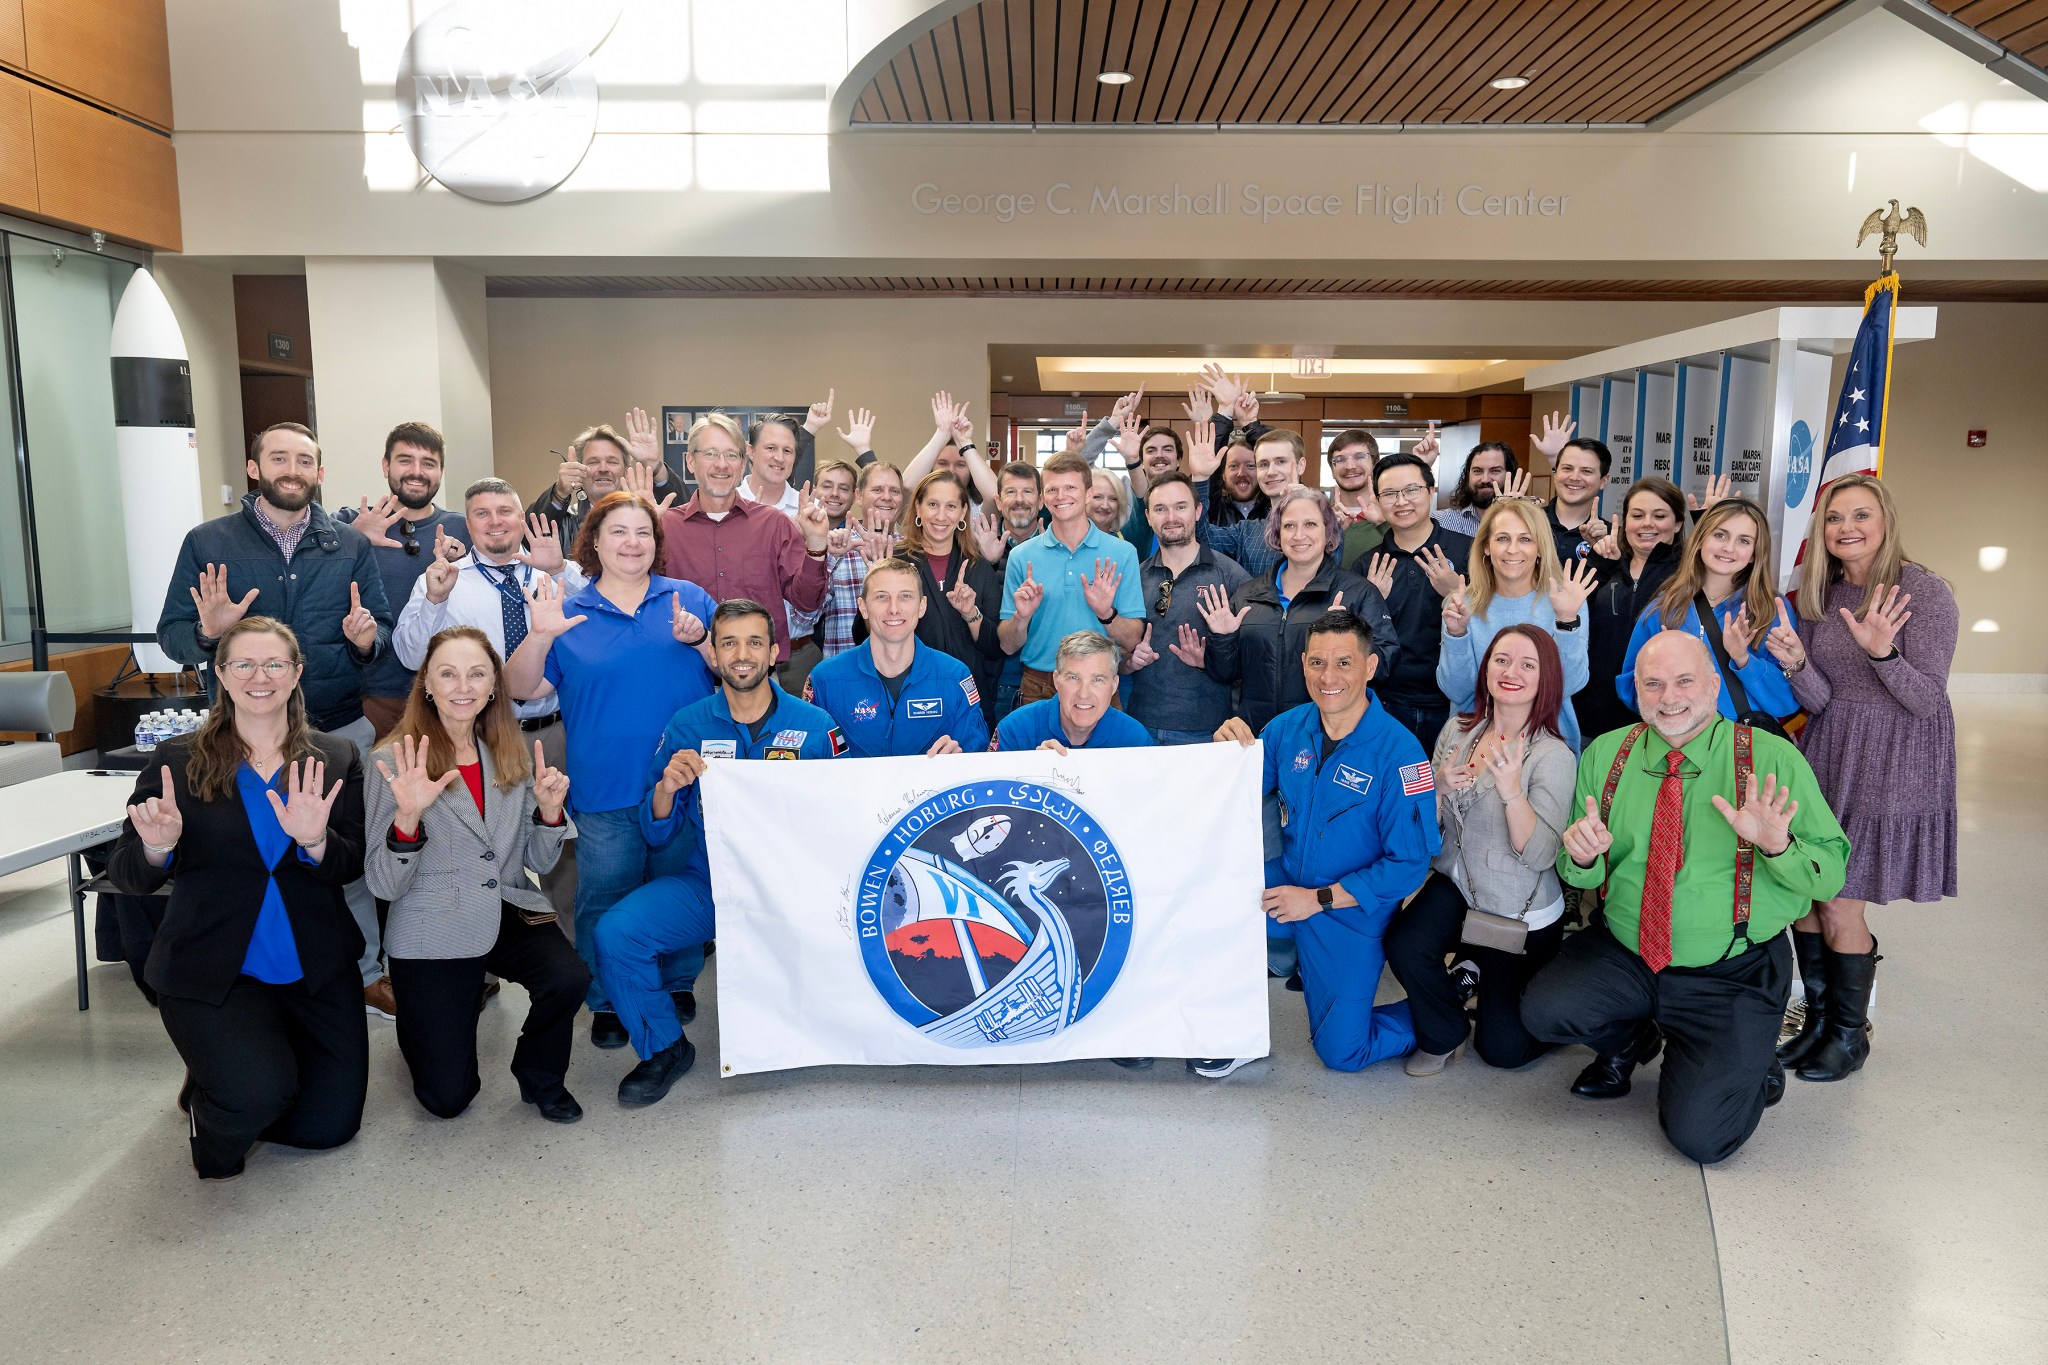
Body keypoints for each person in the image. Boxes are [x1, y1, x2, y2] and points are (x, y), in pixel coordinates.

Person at [1521, 631, 1849, 1164]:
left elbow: (1829, 876)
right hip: (1627, 949)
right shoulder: (1607, 754)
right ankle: (1636, 1042)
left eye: (1684, 681)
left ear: (1715, 685)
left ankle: (1743, 1056)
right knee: (1544, 1011)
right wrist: (1582, 859)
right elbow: (1579, 874)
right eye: (1653, 684)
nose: (1668, 697)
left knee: (1702, 1140)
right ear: (1637, 691)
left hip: (1731, 969)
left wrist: (1778, 845)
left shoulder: (1770, 760)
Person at [109, 617, 367, 1181]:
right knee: (256, 1098)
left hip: (313, 965)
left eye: (274, 663)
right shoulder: (178, 761)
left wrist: (317, 841)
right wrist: (158, 849)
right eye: (243, 664)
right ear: (220, 675)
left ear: (297, 673)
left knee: (330, 1126)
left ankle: (229, 1070)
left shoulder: (336, 756)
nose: (260, 676)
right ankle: (220, 1099)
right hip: (213, 967)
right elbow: (128, 876)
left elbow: (351, 864)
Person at [156, 420, 397, 1018]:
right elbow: (171, 636)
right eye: (279, 458)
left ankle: (362, 971)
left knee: (343, 855)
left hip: (336, 731)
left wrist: (366, 640)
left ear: (320, 472)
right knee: (242, 856)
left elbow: (381, 634)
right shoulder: (207, 543)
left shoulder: (349, 544)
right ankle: (244, 974)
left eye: (305, 460)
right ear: (254, 468)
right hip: (240, 734)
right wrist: (208, 635)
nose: (293, 469)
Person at [591, 600, 846, 1107]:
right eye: (728, 643)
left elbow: (845, 821)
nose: (742, 654)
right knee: (616, 933)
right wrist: (666, 787)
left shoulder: (817, 726)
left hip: (794, 894)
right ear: (714, 654)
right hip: (711, 884)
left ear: (774, 653)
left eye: (754, 642)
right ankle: (664, 1047)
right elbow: (657, 831)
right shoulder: (688, 725)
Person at [502, 490, 718, 1050]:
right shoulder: (569, 611)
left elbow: (736, 669)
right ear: (594, 543)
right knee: (605, 895)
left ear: (657, 544)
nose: (632, 542)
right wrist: (541, 632)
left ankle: (674, 983)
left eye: (643, 532)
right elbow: (522, 689)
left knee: (675, 889)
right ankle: (606, 997)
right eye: (618, 532)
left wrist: (702, 643)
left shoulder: (688, 598)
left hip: (684, 785)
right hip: (604, 789)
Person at [1771, 474, 1957, 1082]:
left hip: (1891, 763)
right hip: (1829, 756)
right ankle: (1823, 1021)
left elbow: (1926, 700)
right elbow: (1823, 700)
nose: (1846, 527)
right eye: (1834, 517)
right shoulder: (1823, 594)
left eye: (1860, 515)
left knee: (1840, 900)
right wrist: (1797, 662)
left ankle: (1850, 1037)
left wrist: (1883, 652)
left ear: (1885, 521)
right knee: (1807, 897)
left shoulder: (1924, 593)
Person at [365, 628, 587, 1124]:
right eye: (448, 673)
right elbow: (384, 885)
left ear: (493, 688)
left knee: (568, 977)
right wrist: (407, 821)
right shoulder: (390, 761)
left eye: (477, 674)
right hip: (432, 923)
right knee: (447, 1099)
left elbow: (540, 862)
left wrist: (549, 814)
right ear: (426, 684)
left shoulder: (509, 752)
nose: (462, 686)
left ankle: (540, 1076)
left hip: (504, 903)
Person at [1210, 609, 1439, 1077]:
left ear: (1370, 667)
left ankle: (1444, 1004)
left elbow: (1409, 865)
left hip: (1349, 909)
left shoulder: (1402, 756)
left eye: (1343, 663)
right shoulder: (1287, 729)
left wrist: (1316, 901)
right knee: (1202, 907)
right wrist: (1225, 756)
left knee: (1342, 1054)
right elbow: (1237, 791)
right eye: (1316, 663)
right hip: (1287, 878)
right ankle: (1217, 1031)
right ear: (1303, 664)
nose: (1327, 677)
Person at [1384, 625, 1576, 1075]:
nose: (1511, 672)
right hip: (1460, 885)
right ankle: (1446, 1031)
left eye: (1528, 665)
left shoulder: (1554, 756)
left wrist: (1513, 794)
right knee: (1405, 943)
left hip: (1518, 913)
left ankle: (1484, 971)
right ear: (1486, 667)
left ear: (1545, 679)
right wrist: (1435, 790)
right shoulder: (1456, 730)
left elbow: (1541, 856)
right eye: (1501, 660)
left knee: (1503, 1051)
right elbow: (1422, 827)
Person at [395, 478, 584, 919]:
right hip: (472, 737)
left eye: (505, 511)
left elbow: (596, 626)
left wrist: (559, 573)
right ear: (469, 524)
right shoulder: (444, 580)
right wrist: (436, 601)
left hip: (549, 733)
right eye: (482, 514)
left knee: (560, 850)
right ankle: (478, 970)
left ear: (522, 518)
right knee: (471, 849)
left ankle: (570, 963)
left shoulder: (553, 572)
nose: (495, 522)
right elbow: (408, 654)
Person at [1200, 488, 1399, 736]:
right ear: (1277, 533)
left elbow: (1384, 665)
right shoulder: (1247, 594)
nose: (1299, 535)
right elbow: (1224, 673)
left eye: (1311, 524)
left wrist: (1347, 635)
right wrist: (1223, 638)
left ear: (1328, 532)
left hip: (1328, 737)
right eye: (1289, 526)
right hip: (1257, 737)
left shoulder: (1358, 592)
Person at [332, 421, 473, 739]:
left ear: (440, 471)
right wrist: (353, 537)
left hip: (452, 695)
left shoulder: (465, 529)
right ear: (385, 466)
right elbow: (307, 571)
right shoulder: (345, 524)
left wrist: (468, 562)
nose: (417, 471)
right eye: (405, 460)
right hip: (371, 697)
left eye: (428, 463)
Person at [662, 413, 832, 667]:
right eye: (710, 453)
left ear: (743, 465)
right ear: (690, 461)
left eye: (731, 455)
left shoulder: (773, 524)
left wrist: (817, 545)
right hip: (685, 675)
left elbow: (807, 602)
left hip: (757, 678)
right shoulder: (666, 528)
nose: (722, 464)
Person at [1617, 498, 1797, 727]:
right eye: (1720, 535)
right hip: (1678, 748)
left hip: (1742, 746)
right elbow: (1630, 690)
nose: (1728, 548)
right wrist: (1664, 674)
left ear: (1754, 553)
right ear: (1701, 539)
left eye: (1743, 540)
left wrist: (1743, 659)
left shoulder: (1771, 610)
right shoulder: (1664, 608)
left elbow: (1786, 702)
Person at [1437, 498, 1596, 750]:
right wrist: (1457, 635)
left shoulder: (1565, 602)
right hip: (1474, 748)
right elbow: (1457, 692)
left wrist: (1566, 622)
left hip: (1546, 747)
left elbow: (1569, 685)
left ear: (1541, 547)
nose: (1513, 549)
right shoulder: (1459, 605)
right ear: (1486, 547)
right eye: (1502, 539)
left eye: (1525, 539)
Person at [999, 452, 1145, 706]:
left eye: (1070, 487)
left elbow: (1133, 639)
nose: (1061, 496)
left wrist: (1106, 613)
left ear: (1088, 493)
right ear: (1044, 498)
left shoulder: (1122, 553)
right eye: (1053, 489)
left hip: (1100, 685)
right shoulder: (1022, 557)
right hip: (1038, 687)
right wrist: (1021, 618)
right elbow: (1008, 645)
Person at [805, 558, 990, 757]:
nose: (894, 608)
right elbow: (806, 763)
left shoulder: (955, 677)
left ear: (922, 606)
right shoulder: (825, 680)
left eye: (905, 596)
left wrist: (960, 759)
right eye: (882, 597)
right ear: (863, 607)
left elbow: (977, 760)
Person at [1356, 452, 1471, 749]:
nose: (1401, 501)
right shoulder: (1367, 565)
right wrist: (1371, 601)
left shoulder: (1468, 552)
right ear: (1379, 501)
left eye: (1411, 490)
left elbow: (1492, 624)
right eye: (1390, 494)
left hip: (1455, 703)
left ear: (1431, 492)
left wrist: (1455, 593)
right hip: (1385, 703)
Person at [1124, 473, 1249, 744]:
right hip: (1139, 726)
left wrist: (1211, 661)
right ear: (1147, 516)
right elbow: (1113, 655)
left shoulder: (1230, 576)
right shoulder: (1135, 576)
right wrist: (1128, 661)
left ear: (1198, 511)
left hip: (1206, 730)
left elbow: (1251, 662)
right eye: (1160, 509)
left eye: (1180, 506)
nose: (1171, 517)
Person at [887, 470, 1004, 724]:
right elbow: (863, 635)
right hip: (906, 699)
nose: (941, 516)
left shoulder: (979, 568)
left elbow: (995, 648)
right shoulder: (893, 563)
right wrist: (879, 585)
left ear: (963, 512)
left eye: (951, 506)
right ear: (917, 507)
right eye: (932, 505)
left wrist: (971, 614)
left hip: (967, 702)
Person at [1577, 477, 1686, 741]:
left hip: (1662, 724)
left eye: (1659, 515)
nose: (1647, 523)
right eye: (1637, 515)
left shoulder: (1689, 575)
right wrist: (1598, 564)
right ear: (1626, 523)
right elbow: (1571, 617)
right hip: (1592, 723)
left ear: (1678, 524)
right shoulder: (1604, 565)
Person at [526, 411, 683, 552]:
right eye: (593, 462)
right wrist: (559, 493)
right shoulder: (566, 520)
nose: (603, 469)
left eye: (612, 462)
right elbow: (527, 540)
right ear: (579, 470)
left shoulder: (648, 514)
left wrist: (655, 466)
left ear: (627, 471)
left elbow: (687, 521)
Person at [993, 631, 1153, 752]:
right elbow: (988, 791)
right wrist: (1033, 772)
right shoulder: (1014, 729)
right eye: (1073, 678)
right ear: (1056, 680)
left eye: (1097, 680)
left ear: (1114, 685)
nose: (1084, 694)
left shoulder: (1136, 740)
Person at [820, 462, 906, 658]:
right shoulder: (838, 545)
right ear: (858, 496)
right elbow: (806, 616)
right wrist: (831, 558)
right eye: (877, 489)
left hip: (901, 674)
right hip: (846, 675)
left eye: (894, 491)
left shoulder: (912, 550)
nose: (886, 497)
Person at [1201, 428, 1310, 578]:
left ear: (1301, 465)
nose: (1271, 471)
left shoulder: (1326, 521)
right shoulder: (1246, 532)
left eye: (1281, 461)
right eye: (1263, 464)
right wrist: (1200, 477)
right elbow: (1201, 535)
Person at [1533, 417, 1611, 565]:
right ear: (1555, 472)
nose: (1574, 477)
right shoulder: (1530, 522)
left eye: (1586, 471)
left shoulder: (1611, 537)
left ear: (1603, 481)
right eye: (1567, 468)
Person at [1434, 440, 1530, 536]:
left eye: (1495, 471)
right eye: (1477, 471)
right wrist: (1423, 464)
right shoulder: (1442, 522)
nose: (1485, 479)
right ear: (1468, 475)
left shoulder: (1528, 522)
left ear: (1510, 474)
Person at [1325, 428, 1388, 567]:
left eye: (1360, 457)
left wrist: (1384, 524)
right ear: (1332, 470)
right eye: (1340, 460)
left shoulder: (1392, 515)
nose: (1350, 466)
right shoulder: (1321, 519)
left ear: (1375, 464)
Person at [1088, 468, 1131, 539]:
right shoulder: (1066, 539)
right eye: (1097, 497)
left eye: (1113, 499)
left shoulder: (1127, 541)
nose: (1105, 506)